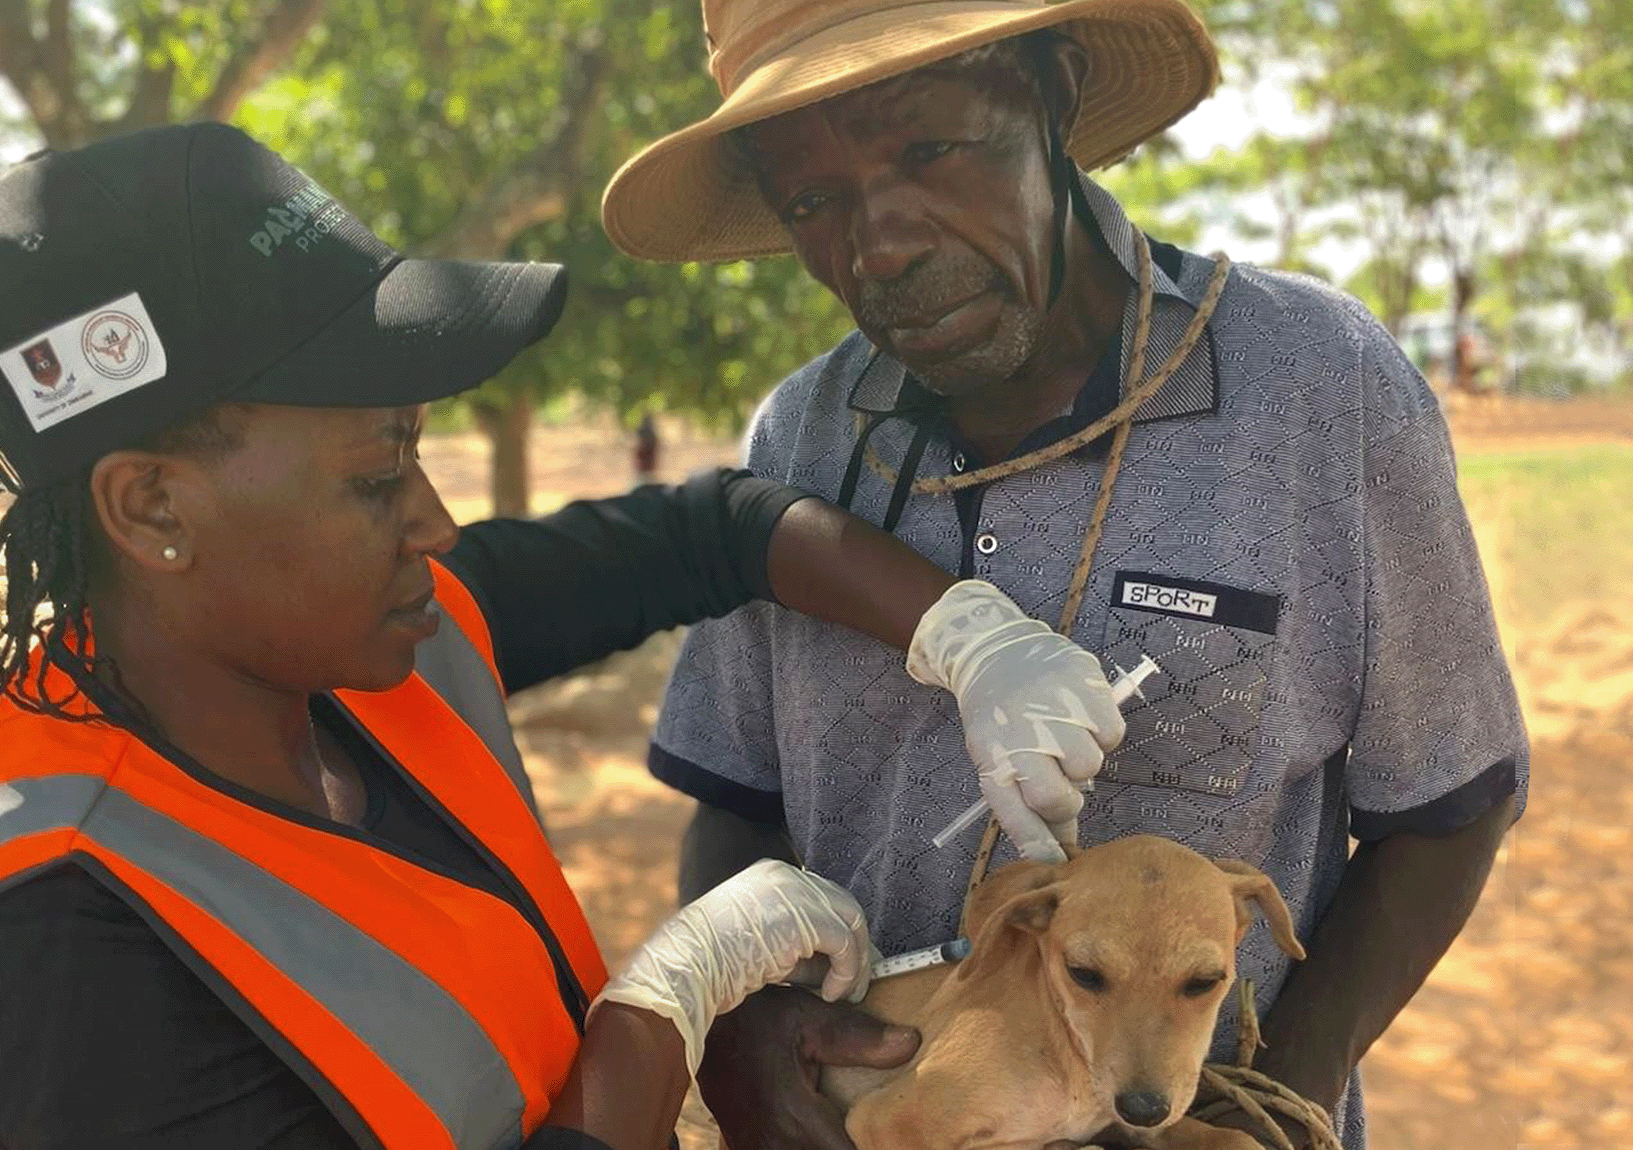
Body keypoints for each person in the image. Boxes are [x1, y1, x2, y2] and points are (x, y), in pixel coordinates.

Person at [0, 123, 1129, 1150]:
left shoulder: (381, 642)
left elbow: (712, 531)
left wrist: (966, 634)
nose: (435, 521)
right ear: (153, 507)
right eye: (378, 475)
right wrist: (662, 1008)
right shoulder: (66, 924)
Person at [600, 0, 1530, 1146]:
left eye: (928, 149)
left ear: (1052, 91)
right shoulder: (805, 439)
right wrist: (748, 1027)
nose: (877, 244)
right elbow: (737, 799)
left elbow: (1449, 808)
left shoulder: (1319, 392)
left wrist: (1274, 1101)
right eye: (812, 201)